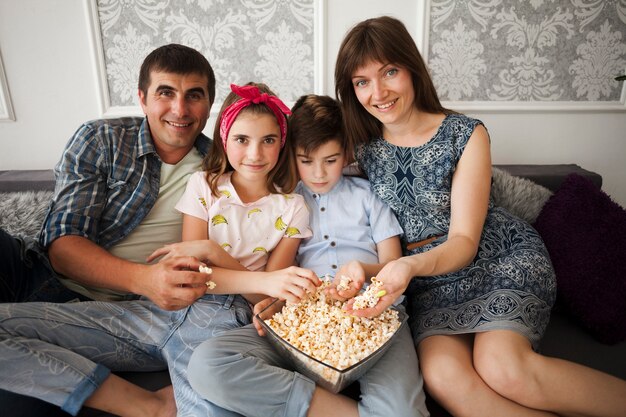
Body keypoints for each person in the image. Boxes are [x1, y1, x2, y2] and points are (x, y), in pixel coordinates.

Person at [333, 15, 626, 417]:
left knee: (504, 369)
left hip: (496, 258)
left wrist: (406, 266)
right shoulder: (362, 149)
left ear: (411, 69)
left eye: (389, 71)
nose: (378, 92)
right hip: (430, 285)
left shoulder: (465, 133)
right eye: (362, 81)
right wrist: (364, 269)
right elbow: (300, 159)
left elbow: (464, 243)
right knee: (444, 378)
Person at [0, 82, 321, 416]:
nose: (255, 153)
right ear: (225, 138)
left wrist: (214, 252)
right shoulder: (204, 185)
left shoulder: (293, 207)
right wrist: (254, 278)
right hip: (159, 309)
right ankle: (145, 405)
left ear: (282, 143)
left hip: (223, 323)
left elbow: (270, 299)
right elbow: (188, 273)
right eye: (242, 139)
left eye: (268, 140)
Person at [0, 43, 218, 416]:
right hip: (38, 276)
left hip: (123, 317)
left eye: (193, 96)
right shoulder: (102, 140)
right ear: (142, 98)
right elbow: (63, 247)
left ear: (209, 103)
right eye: (165, 93)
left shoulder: (223, 166)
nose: (180, 110)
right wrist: (145, 279)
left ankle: (144, 405)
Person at [186, 94, 430, 417]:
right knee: (207, 365)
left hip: (377, 317)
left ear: (347, 153)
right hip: (306, 322)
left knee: (404, 412)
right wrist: (270, 305)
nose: (319, 173)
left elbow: (393, 265)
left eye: (330, 160)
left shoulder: (369, 196)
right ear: (290, 155)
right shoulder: (284, 203)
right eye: (306, 160)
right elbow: (277, 275)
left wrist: (364, 270)